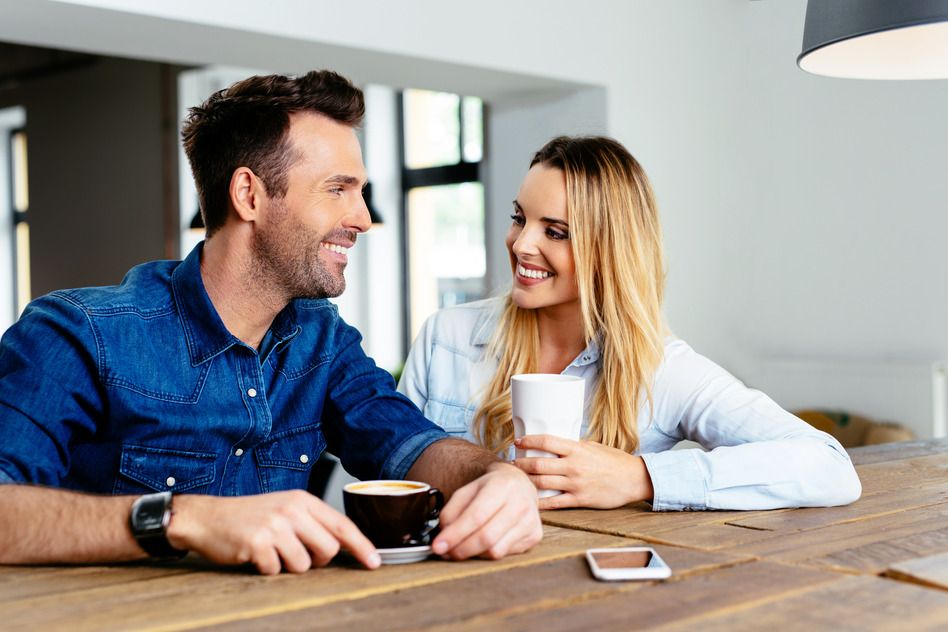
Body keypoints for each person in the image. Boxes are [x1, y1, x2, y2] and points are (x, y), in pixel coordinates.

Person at [0, 70, 542, 574]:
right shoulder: (76, 334)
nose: (362, 218)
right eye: (338, 189)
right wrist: (181, 518)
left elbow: (410, 444)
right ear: (249, 195)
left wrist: (497, 476)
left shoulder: (320, 338)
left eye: (360, 192)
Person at [398, 135, 862, 512]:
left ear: (611, 249)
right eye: (520, 218)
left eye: (555, 232)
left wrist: (640, 478)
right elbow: (388, 471)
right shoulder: (448, 337)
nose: (521, 244)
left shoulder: (662, 370)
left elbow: (828, 466)